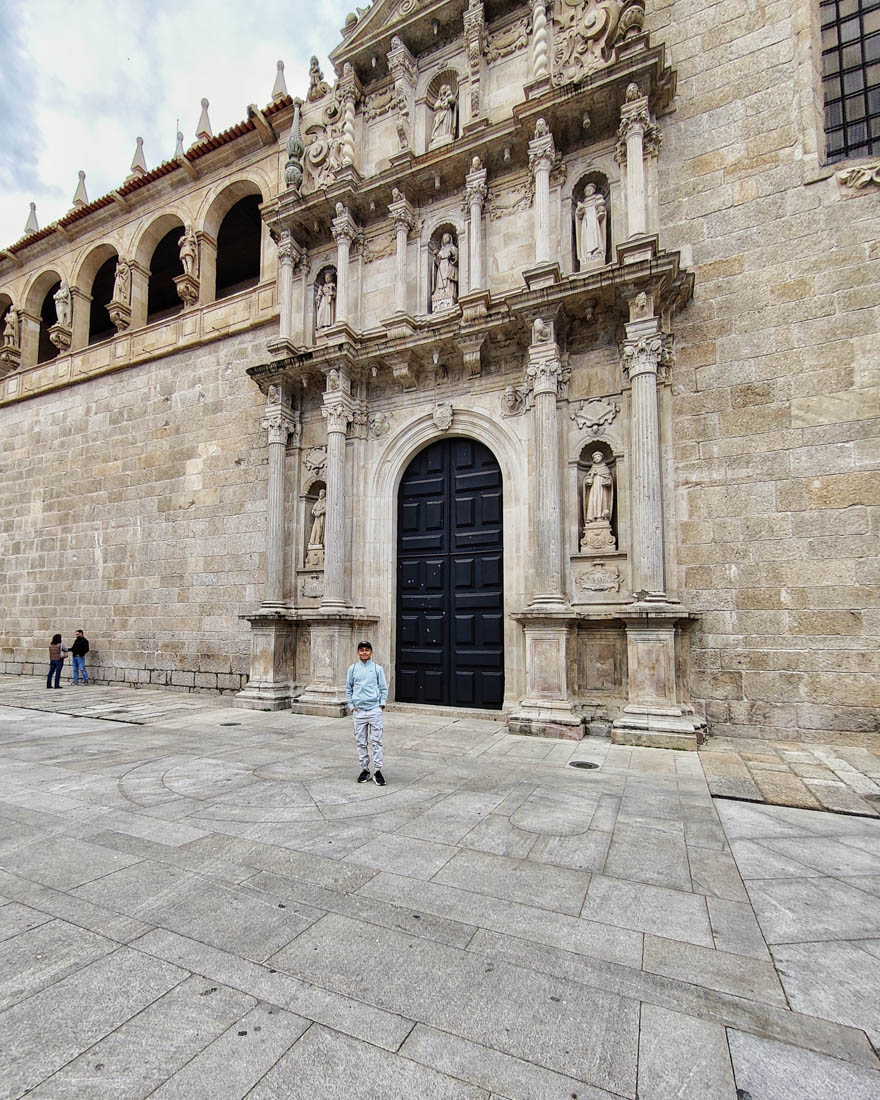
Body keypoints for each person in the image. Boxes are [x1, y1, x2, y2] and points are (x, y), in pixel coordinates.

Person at [346, 641, 388, 785]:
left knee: (377, 741)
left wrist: (381, 704)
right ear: (358, 652)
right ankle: (365, 769)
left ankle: (377, 770)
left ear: (371, 652)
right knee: (361, 741)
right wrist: (351, 705)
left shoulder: (377, 669)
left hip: (374, 710)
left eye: (367, 650)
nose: (364, 652)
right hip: (359, 711)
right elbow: (349, 688)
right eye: (362, 650)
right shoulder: (352, 669)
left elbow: (383, 688)